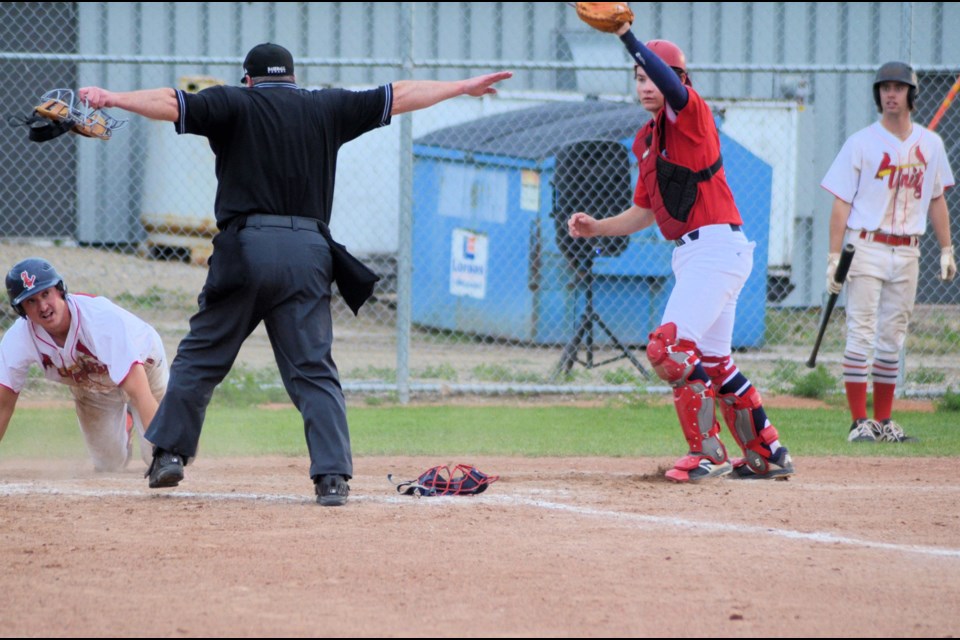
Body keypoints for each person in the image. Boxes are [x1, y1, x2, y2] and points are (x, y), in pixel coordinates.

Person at [78, 43, 512, 505]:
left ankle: (168, 456)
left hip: (244, 250)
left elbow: (171, 102)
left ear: (249, 79)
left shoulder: (232, 101)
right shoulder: (326, 105)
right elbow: (400, 94)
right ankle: (332, 479)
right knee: (312, 370)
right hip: (308, 253)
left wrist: (113, 97)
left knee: (201, 359)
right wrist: (461, 87)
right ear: (292, 77)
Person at [567, 25, 794, 482]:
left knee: (667, 346)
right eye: (638, 77)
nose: (646, 84)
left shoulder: (691, 114)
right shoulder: (646, 140)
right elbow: (645, 210)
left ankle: (706, 453)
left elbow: (672, 88)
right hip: (698, 255)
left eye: (654, 76)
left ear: (679, 80)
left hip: (715, 247)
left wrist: (628, 38)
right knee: (714, 361)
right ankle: (767, 453)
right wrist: (597, 228)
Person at [821, 61, 955, 444]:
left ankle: (883, 422)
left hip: (908, 249)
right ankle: (858, 421)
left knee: (892, 336)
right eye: (884, 88)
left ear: (911, 94)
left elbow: (937, 199)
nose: (890, 94)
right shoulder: (861, 142)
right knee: (860, 333)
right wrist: (834, 257)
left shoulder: (931, 144)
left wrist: (947, 248)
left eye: (898, 88)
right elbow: (841, 204)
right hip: (866, 245)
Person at [0, 258, 168, 471]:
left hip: (144, 367)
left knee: (172, 455)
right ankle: (125, 424)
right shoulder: (19, 339)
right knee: (109, 465)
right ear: (21, 309)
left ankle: (163, 432)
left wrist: (165, 453)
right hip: (92, 385)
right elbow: (2, 405)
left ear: (60, 290)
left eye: (45, 294)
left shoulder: (99, 320)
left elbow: (139, 392)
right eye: (31, 301)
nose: (43, 306)